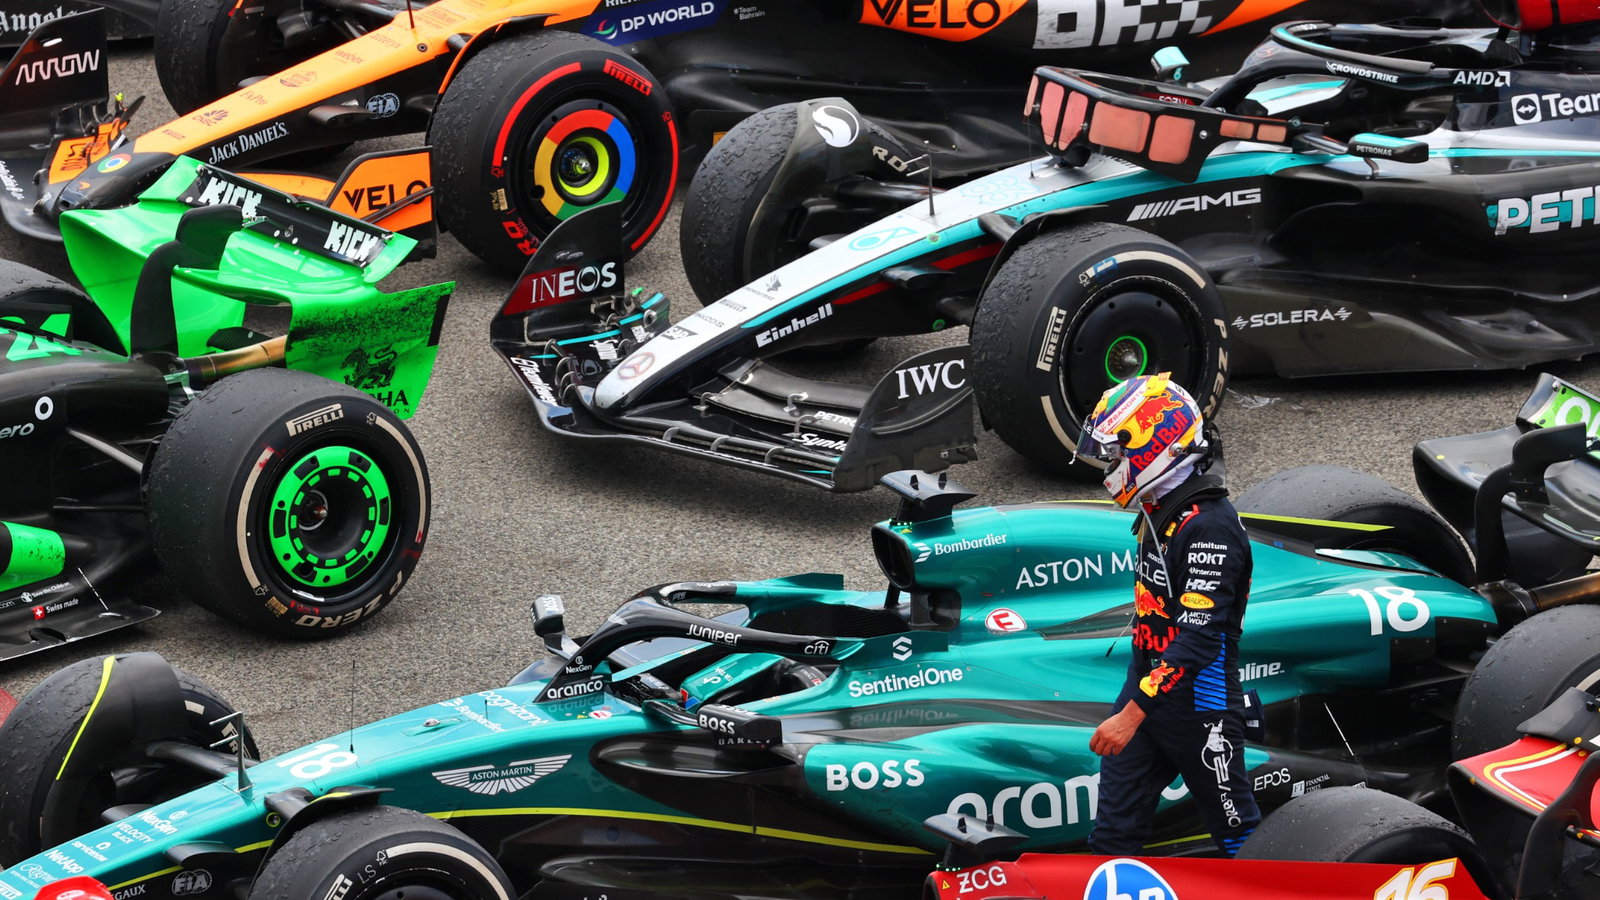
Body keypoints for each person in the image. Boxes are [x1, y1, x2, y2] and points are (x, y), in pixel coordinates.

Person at [1078, 372, 1260, 858]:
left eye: (1116, 455)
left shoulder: (1211, 530)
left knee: (1237, 834)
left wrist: (1131, 716)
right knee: (1112, 839)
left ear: (1153, 447)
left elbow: (1198, 641)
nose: (1108, 470)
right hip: (1146, 686)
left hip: (1200, 704)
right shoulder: (1160, 504)